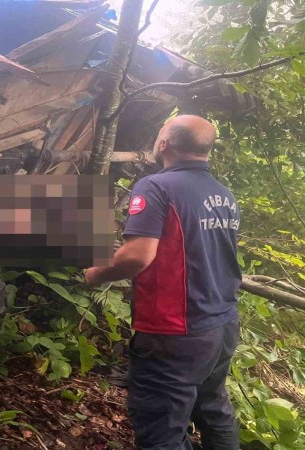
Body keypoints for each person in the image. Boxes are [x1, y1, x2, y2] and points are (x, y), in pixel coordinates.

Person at [84, 115, 242, 450]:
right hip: (222, 324)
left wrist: (95, 273)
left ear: (164, 143)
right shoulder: (224, 194)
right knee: (213, 408)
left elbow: (137, 256)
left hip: (176, 331)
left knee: (161, 431)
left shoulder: (157, 186)